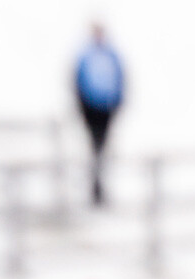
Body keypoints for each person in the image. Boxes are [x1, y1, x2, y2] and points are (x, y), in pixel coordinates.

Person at [74, 22, 125, 205]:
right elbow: (77, 82)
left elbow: (120, 79)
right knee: (94, 148)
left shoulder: (111, 55)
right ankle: (95, 189)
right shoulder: (86, 56)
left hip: (107, 109)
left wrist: (117, 103)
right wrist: (82, 107)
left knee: (103, 149)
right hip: (91, 109)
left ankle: (99, 188)